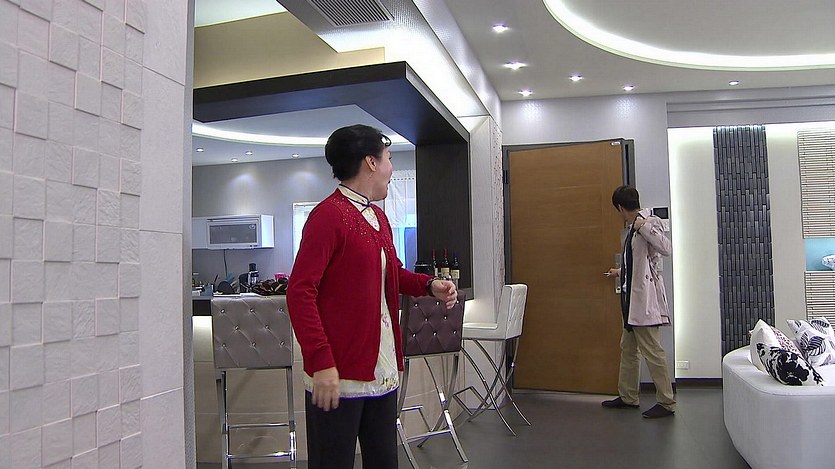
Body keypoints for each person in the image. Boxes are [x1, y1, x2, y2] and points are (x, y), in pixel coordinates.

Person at [286, 124, 458, 468]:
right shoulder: (328, 216)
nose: (391, 168)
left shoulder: (378, 216)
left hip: (382, 366)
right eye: (389, 158)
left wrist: (429, 285)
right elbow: (300, 291)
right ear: (371, 162)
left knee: (384, 460)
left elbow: (392, 273)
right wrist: (321, 361)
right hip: (338, 372)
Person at [602, 185, 676, 419]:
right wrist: (620, 271)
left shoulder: (648, 222)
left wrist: (643, 227)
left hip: (645, 303)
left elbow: (666, 248)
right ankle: (628, 396)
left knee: (653, 352)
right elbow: (638, 263)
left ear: (620, 208)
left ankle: (666, 401)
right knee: (628, 350)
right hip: (632, 302)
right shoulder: (632, 229)